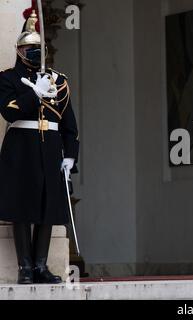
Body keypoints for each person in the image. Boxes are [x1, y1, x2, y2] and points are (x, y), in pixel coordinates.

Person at [0, 9, 79, 284]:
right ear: (20, 50)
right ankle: (24, 267)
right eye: (29, 48)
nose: (34, 52)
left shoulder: (59, 81)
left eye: (38, 47)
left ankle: (41, 266)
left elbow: (69, 124)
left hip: (49, 151)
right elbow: (9, 113)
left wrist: (70, 156)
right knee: (22, 208)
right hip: (21, 150)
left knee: (47, 208)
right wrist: (33, 94)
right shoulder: (8, 79)